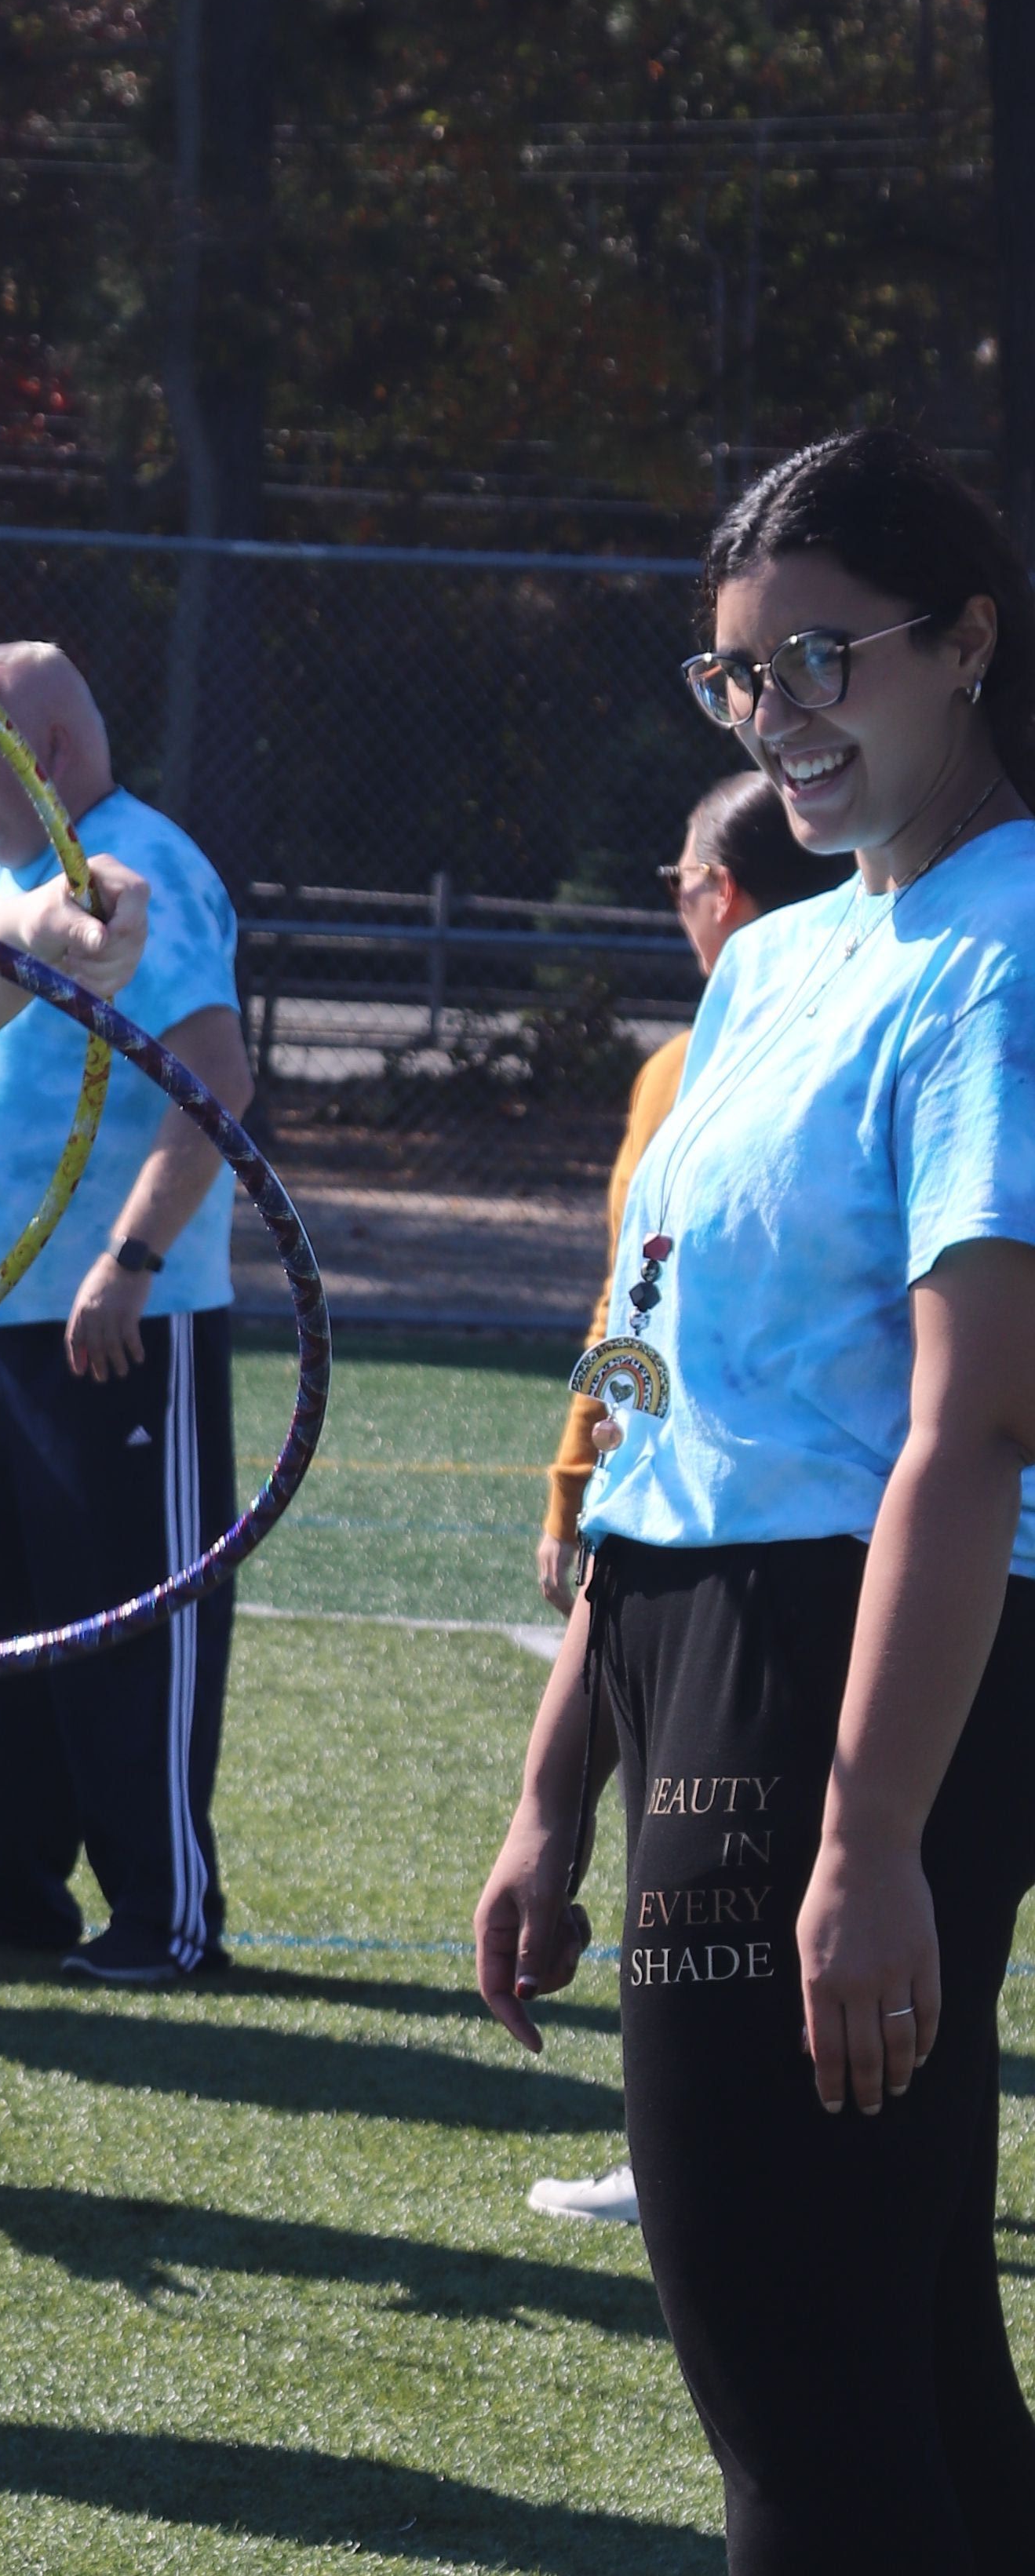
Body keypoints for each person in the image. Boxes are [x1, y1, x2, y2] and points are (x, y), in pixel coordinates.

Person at [476, 423, 1035, 2576]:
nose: (782, 715)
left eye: (826, 655)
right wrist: (555, 1764)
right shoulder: (809, 941)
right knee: (905, 2336)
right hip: (708, 1621)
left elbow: (961, 1435)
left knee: (790, 2354)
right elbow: (656, 1387)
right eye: (738, 673)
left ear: (959, 633)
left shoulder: (1004, 945)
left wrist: (864, 1834)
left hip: (847, 1655)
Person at [0, 639, 251, 1989]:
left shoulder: (134, 867)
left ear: (48, 752)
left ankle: (165, 1915)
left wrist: (128, 1259)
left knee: (130, 1621)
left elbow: (213, 1070)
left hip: (114, 1317)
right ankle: (2, 1890)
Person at [526, 775, 853, 2230]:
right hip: (682, 1544)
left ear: (721, 895)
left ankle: (722, 2155)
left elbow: (633, 1306)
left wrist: (578, 1467)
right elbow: (643, 1303)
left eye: (676, 880)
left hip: (768, 1564)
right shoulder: (722, 1036)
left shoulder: (727, 1052)